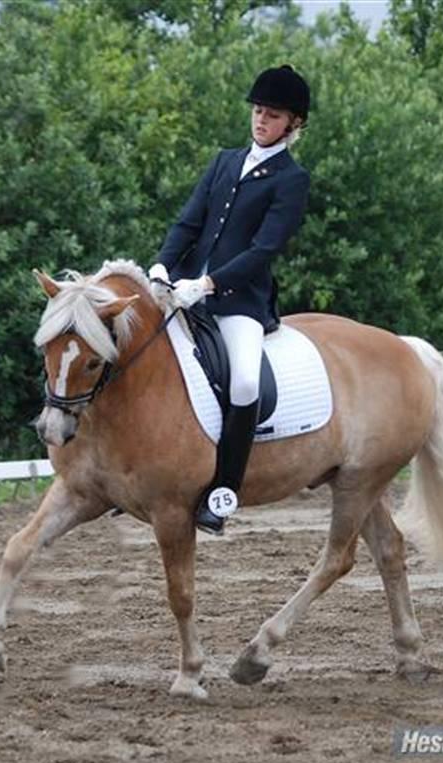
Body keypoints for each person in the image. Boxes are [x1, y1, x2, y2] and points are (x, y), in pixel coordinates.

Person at [149, 64, 311, 536]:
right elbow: (189, 222)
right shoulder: (223, 160)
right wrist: (163, 264)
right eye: (258, 111)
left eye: (272, 114)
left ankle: (224, 491)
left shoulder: (290, 179)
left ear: (293, 124)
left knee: (243, 383)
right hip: (182, 291)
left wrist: (209, 284)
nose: (261, 120)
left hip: (239, 302)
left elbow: (264, 250)